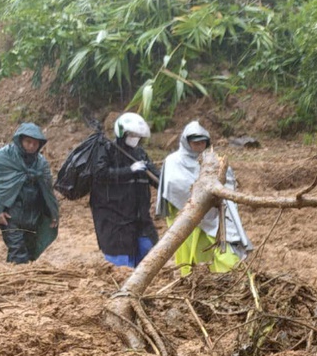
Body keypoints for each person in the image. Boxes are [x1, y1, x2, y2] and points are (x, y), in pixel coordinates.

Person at [157, 121, 250, 275]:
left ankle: (228, 275)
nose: (199, 146)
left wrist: (215, 197)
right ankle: (190, 278)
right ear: (187, 143)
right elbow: (175, 185)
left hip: (214, 211)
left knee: (223, 243)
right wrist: (197, 201)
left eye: (202, 142)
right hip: (185, 213)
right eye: (195, 143)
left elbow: (227, 181)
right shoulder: (174, 161)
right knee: (189, 250)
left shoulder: (213, 160)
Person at [0, 122, 60, 263]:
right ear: (20, 140)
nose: (31, 146)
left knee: (30, 252)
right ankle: (18, 280)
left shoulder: (41, 163)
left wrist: (52, 212)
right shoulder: (3, 158)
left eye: (35, 143)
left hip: (33, 215)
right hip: (11, 216)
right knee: (17, 251)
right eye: (28, 142)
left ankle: (23, 280)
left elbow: (47, 190)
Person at [91, 112, 159, 267]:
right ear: (123, 133)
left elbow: (155, 175)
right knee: (121, 264)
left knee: (150, 253)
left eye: (138, 135)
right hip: (114, 218)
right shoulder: (107, 150)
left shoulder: (140, 154)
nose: (135, 138)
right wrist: (129, 170)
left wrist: (167, 184)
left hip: (140, 216)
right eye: (132, 134)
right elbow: (100, 174)